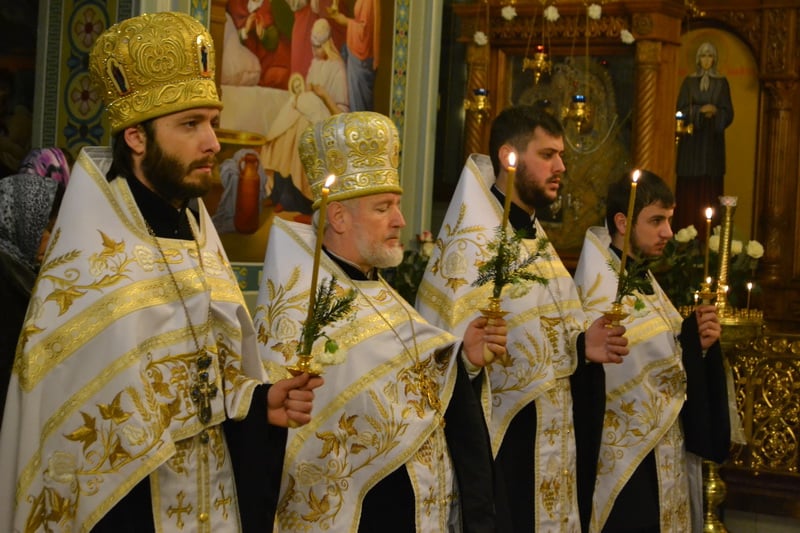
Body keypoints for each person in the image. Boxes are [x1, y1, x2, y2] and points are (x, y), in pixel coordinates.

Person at [0, 12, 322, 532]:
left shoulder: (196, 230)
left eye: (212, 122)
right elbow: (76, 439)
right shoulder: (92, 260)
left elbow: (208, 373)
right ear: (136, 137)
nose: (213, 142)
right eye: (191, 125)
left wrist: (260, 400)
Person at [254, 111, 508, 532]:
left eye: (397, 205)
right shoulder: (300, 309)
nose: (400, 220)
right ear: (338, 217)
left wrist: (464, 363)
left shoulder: (382, 293)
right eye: (383, 207)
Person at [417, 105, 630, 531]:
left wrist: (582, 346)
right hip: (502, 447)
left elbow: (549, 332)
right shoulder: (472, 243)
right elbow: (444, 355)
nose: (561, 167)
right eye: (548, 155)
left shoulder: (535, 238)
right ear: (508, 156)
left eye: (561, 156)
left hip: (552, 443)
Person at [573, 169, 731, 532]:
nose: (668, 233)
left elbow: (665, 351)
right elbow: (619, 369)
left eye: (669, 220)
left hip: (661, 452)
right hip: (625, 461)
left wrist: (698, 343)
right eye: (657, 220)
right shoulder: (601, 287)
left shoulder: (642, 278)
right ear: (623, 222)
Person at [0, 173, 63, 428]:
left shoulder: (20, 267)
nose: (52, 238)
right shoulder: (6, 277)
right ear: (20, 222)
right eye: (45, 228)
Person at [675, 41, 733, 231]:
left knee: (710, 190)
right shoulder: (688, 82)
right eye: (703, 56)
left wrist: (715, 112)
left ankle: (709, 236)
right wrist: (699, 111)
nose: (706, 60)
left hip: (712, 145)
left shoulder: (722, 83)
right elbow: (680, 110)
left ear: (714, 59)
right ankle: (684, 236)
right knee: (689, 191)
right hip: (691, 144)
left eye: (710, 56)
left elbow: (728, 112)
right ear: (697, 59)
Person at [328, 0, 379, 111]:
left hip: (361, 57)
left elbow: (364, 31)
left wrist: (345, 21)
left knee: (359, 102)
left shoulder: (368, 2)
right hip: (357, 53)